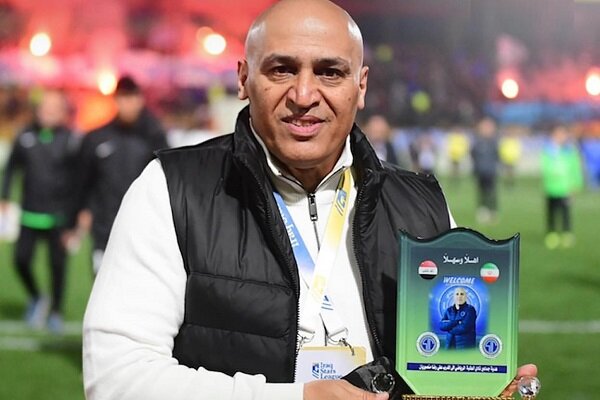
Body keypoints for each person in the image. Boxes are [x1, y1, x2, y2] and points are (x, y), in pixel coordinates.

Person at [82, 1, 536, 399]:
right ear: (243, 79)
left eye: (329, 72)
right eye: (281, 69)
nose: (303, 95)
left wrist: (473, 387)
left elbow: (443, 369)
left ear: (361, 86)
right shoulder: (171, 189)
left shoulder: (422, 204)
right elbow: (116, 379)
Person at [69, 75, 168, 274]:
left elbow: (167, 180)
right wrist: (80, 212)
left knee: (136, 283)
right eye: (124, 98)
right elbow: (82, 180)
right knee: (102, 280)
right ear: (116, 100)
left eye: (132, 98)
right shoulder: (96, 138)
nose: (128, 104)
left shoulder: (154, 137)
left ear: (140, 100)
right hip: (104, 226)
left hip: (141, 227)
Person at [0, 89, 79, 332]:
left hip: (59, 217)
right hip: (29, 213)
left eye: (54, 108)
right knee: (20, 260)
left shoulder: (71, 140)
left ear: (62, 112)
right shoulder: (25, 135)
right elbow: (11, 168)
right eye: (44, 107)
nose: (48, 112)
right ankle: (37, 296)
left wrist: (75, 215)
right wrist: (5, 197)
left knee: (57, 267)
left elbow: (80, 179)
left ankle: (55, 311)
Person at [541, 125, 583, 249]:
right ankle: (552, 233)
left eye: (562, 134)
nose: (560, 137)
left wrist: (576, 184)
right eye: (557, 134)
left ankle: (567, 233)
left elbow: (575, 168)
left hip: (565, 187)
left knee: (565, 212)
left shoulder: (569, 151)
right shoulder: (548, 151)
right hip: (551, 187)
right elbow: (545, 167)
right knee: (551, 212)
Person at [471, 117, 500, 224]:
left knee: (491, 191)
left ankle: (493, 210)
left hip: (491, 171)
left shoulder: (494, 142)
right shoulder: (478, 142)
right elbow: (473, 155)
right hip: (480, 170)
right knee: (481, 191)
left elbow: (497, 155)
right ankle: (483, 210)